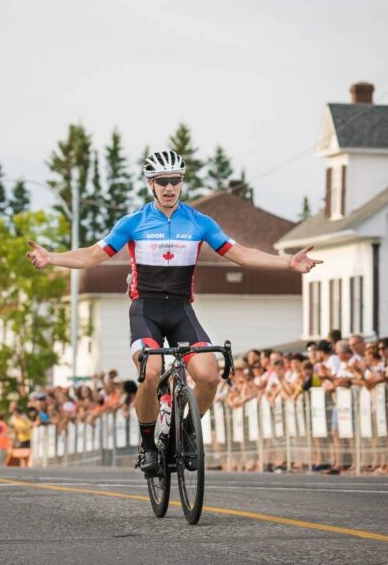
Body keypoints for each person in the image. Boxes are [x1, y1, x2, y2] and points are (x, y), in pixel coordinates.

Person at [27, 149, 323, 475]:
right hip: (146, 311)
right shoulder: (134, 223)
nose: (170, 187)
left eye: (176, 181)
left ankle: (188, 431)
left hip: (182, 310)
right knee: (151, 372)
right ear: (150, 184)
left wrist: (287, 262)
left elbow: (239, 254)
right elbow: (92, 256)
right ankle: (148, 444)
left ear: (182, 182)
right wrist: (52, 257)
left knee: (210, 375)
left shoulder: (199, 222)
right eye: (162, 181)